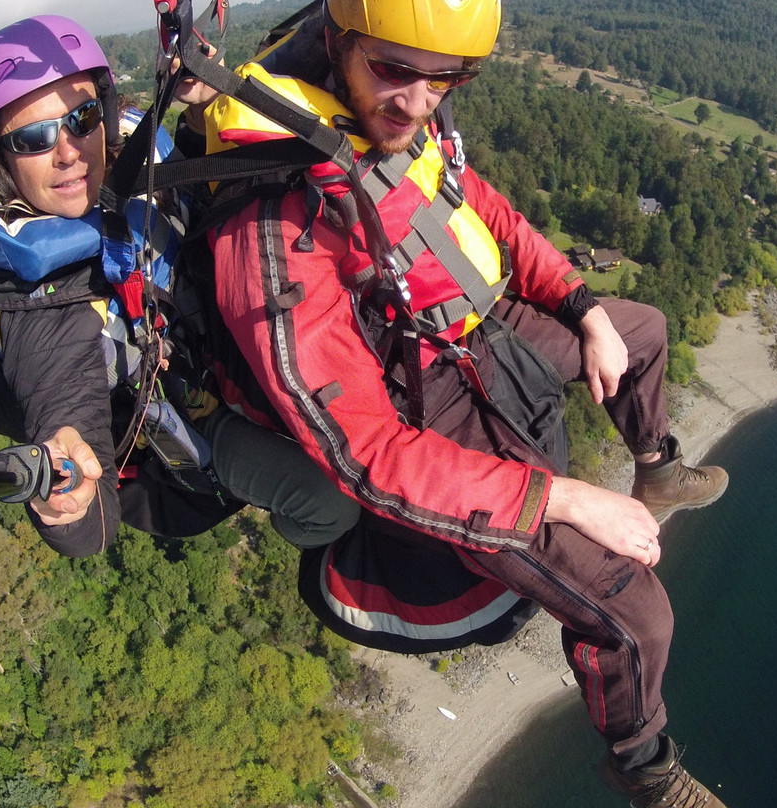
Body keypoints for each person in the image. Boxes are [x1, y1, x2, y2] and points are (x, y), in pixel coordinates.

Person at [205, 0, 729, 805]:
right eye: (395, 71)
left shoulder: (392, 125)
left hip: (474, 327)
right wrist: (564, 497)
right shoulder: (277, 214)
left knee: (642, 331)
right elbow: (364, 452)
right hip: (427, 408)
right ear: (340, 42)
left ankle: (656, 468)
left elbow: (484, 215)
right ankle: (647, 771)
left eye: (448, 78)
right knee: (638, 615)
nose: (419, 101)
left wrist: (583, 307)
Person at [0, 15, 359, 556]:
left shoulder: (128, 149)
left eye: (82, 117)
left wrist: (200, 108)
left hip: (209, 327)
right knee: (333, 506)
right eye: (33, 138)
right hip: (189, 419)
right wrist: (66, 501)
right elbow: (87, 515)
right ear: (0, 160)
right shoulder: (45, 313)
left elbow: (178, 171)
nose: (68, 151)